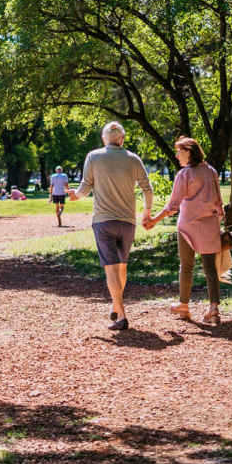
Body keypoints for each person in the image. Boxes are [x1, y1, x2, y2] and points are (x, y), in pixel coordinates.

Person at [74, 121, 153, 331]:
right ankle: (115, 306)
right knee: (122, 266)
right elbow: (148, 188)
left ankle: (121, 314)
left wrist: (75, 195)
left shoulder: (94, 156)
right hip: (127, 221)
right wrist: (147, 212)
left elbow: (85, 186)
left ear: (104, 139)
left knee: (111, 268)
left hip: (103, 220)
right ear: (122, 139)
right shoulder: (133, 159)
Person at [145, 136, 224, 325]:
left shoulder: (184, 175)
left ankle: (184, 305)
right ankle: (213, 308)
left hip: (188, 226)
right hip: (210, 225)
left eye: (179, 151)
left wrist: (155, 220)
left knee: (186, 266)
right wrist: (217, 221)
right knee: (210, 269)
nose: (177, 155)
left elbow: (173, 205)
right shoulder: (211, 171)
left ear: (189, 151)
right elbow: (219, 203)